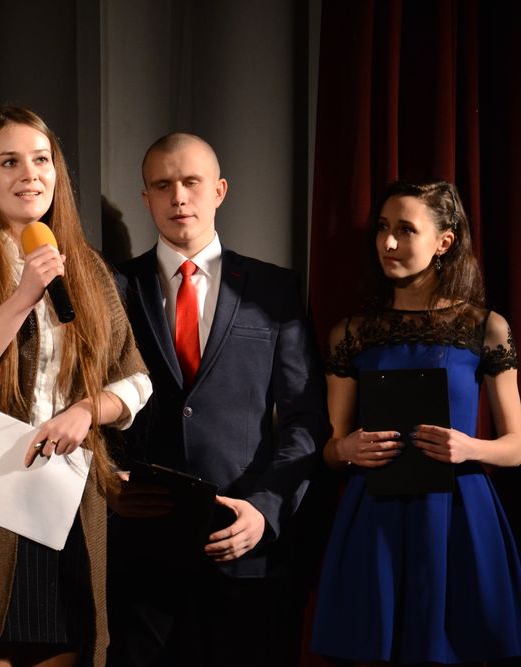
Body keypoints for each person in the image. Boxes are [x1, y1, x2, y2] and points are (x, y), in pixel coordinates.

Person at [0, 105, 151, 667]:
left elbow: (134, 377)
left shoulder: (86, 267)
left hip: (60, 497)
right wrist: (21, 298)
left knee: (61, 649)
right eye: (9, 162)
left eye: (41, 160)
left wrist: (87, 411)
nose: (29, 174)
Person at [108, 133, 329, 666]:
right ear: (146, 198)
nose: (178, 197)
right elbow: (89, 401)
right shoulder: (114, 287)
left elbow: (304, 420)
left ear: (219, 191)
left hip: (243, 543)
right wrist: (106, 483)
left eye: (191, 182)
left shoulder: (273, 289)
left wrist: (265, 510)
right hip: (142, 549)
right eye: (163, 185)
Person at [311, 180, 521, 664]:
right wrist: (345, 449)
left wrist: (471, 447)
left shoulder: (486, 327)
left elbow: (516, 444)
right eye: (383, 228)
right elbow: (331, 448)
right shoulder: (352, 333)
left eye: (406, 230)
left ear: (444, 242)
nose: (387, 242)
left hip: (459, 513)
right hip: (375, 516)